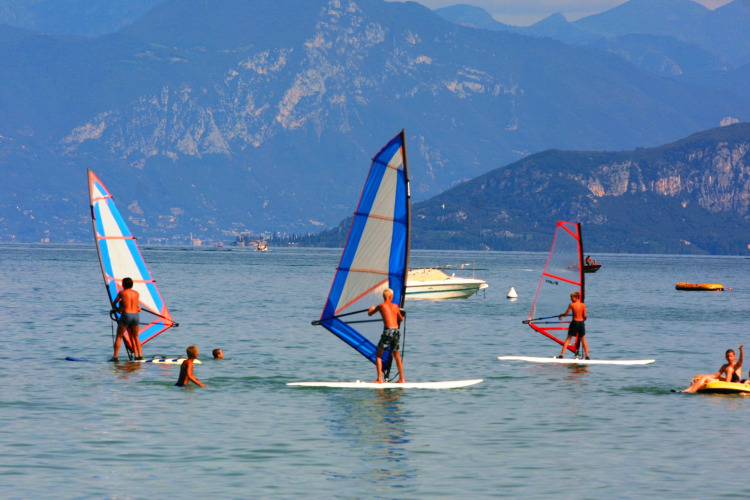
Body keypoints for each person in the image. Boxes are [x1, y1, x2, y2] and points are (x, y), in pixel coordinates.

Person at [368, 288, 406, 383]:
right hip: (396, 331)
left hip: (388, 332)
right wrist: (400, 313)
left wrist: (371, 308)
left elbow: (370, 314)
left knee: (378, 355)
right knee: (397, 355)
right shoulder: (395, 306)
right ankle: (402, 379)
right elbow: (401, 319)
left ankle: (379, 379)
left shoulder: (381, 306)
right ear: (390, 297)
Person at [110, 277, 143, 361]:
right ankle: (139, 356)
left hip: (126, 315)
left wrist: (117, 310)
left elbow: (114, 304)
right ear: (132, 284)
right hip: (135, 315)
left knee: (119, 336)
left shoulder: (122, 293)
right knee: (135, 336)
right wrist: (139, 309)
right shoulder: (136, 293)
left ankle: (115, 357)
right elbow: (136, 306)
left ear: (123, 285)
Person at [556, 291, 589, 359]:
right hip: (581, 323)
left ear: (576, 297)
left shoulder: (572, 304)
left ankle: (561, 355)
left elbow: (566, 314)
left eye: (572, 298)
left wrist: (560, 315)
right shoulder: (583, 305)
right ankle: (587, 356)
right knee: (583, 339)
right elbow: (585, 316)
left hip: (575, 323)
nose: (571, 299)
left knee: (568, 339)